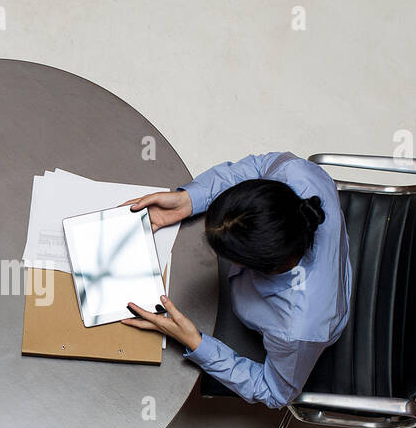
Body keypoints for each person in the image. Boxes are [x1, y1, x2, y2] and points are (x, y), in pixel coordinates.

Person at [122, 151, 352, 410]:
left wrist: (195, 342)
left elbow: (274, 393)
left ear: (251, 265)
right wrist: (190, 199)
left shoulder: (295, 331)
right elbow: (259, 166)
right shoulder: (298, 174)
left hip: (307, 327)